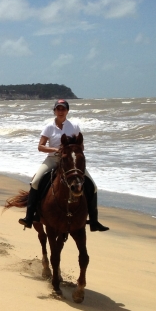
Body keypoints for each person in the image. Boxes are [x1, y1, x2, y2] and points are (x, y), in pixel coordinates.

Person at [18, 99, 109, 232]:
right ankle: (30, 217)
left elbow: (80, 145)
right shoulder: (49, 127)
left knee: (92, 186)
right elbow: (40, 146)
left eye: (63, 109)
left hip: (69, 162)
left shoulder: (74, 126)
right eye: (58, 109)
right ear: (54, 111)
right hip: (53, 159)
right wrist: (56, 150)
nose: (60, 111)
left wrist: (75, 150)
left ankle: (94, 221)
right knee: (36, 182)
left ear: (67, 111)